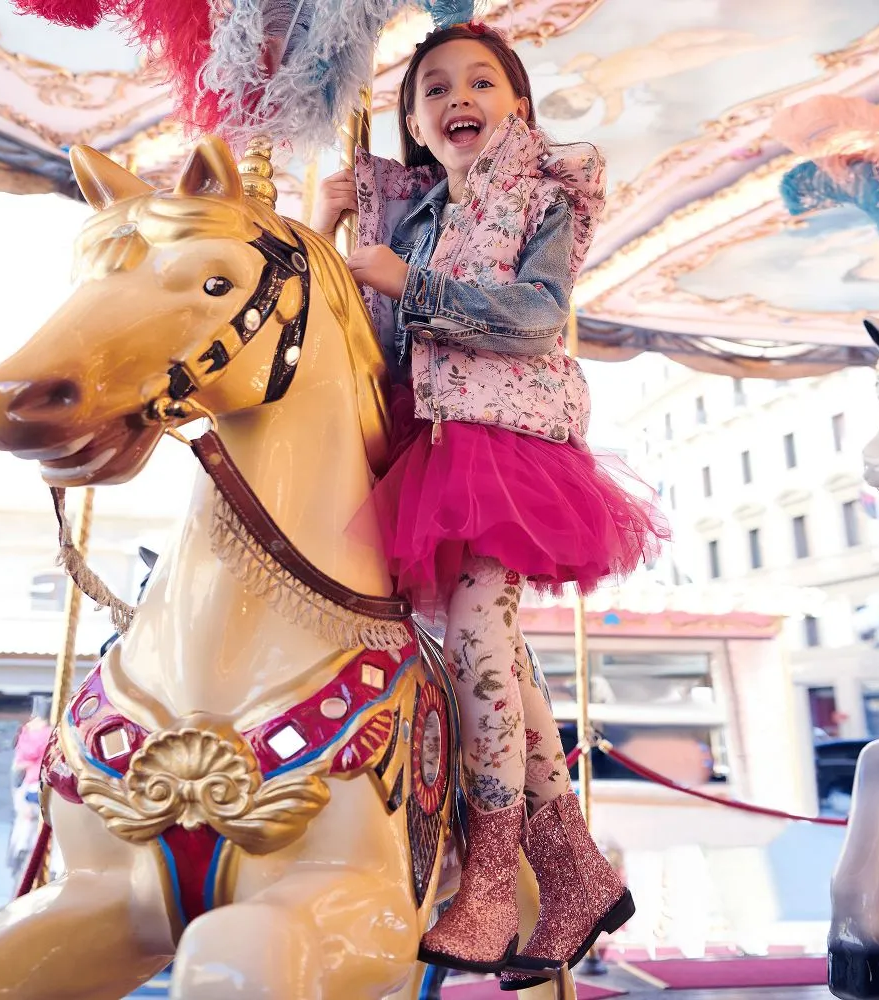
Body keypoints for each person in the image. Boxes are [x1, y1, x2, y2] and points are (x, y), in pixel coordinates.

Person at [311, 22, 668, 983]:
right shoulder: (417, 215)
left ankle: (492, 880)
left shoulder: (541, 195)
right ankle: (574, 869)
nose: (457, 96)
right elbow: (375, 340)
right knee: (495, 651)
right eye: (434, 88)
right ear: (416, 122)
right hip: (434, 441)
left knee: (476, 646)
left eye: (481, 81)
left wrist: (411, 283)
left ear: (517, 105)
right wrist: (335, 219)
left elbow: (538, 315)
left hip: (506, 445)